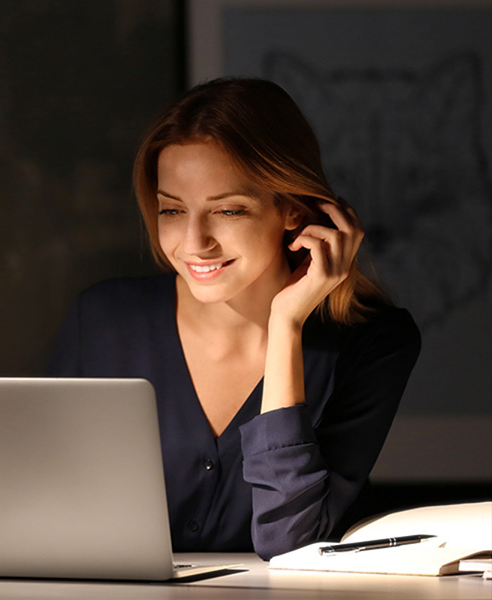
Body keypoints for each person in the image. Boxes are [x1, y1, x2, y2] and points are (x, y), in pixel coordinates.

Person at [48, 78, 421, 560]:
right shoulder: (100, 321)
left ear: (292, 208)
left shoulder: (374, 343)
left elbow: (292, 545)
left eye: (227, 210)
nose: (194, 242)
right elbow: (45, 510)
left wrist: (286, 324)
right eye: (172, 210)